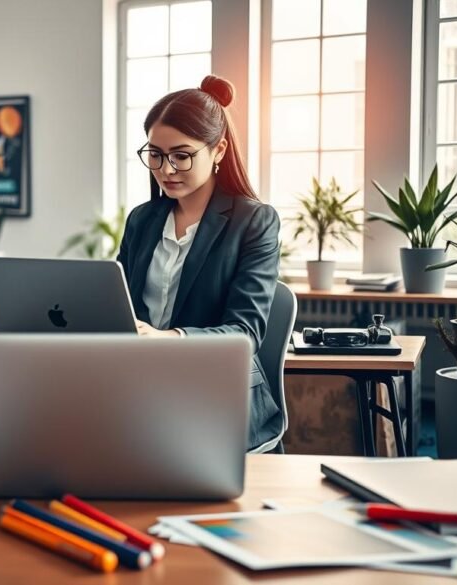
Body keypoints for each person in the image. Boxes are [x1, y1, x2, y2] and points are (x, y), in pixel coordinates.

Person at [116, 75, 283, 452]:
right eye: (155, 154)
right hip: (142, 387)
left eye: (181, 155)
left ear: (218, 150)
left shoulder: (254, 221)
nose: (166, 169)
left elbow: (245, 332)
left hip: (215, 393)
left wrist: (166, 340)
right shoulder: (142, 221)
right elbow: (116, 303)